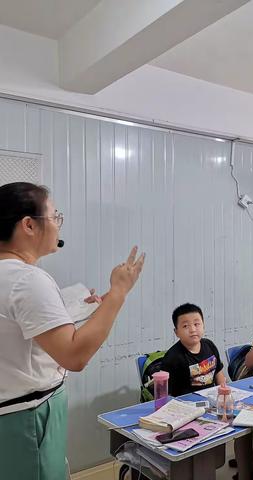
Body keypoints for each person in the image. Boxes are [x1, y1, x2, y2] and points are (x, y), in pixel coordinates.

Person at [0, 182, 144, 480]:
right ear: (28, 225)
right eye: (54, 216)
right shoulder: (27, 280)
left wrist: (66, 311)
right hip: (27, 417)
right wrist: (119, 292)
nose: (57, 224)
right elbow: (75, 355)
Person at [161, 303, 226, 397]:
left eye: (196, 324)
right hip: (186, 406)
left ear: (203, 326)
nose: (192, 329)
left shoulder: (209, 345)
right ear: (176, 332)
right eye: (185, 326)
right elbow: (166, 394)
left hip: (212, 400)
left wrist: (224, 394)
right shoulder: (172, 357)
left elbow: (218, 373)